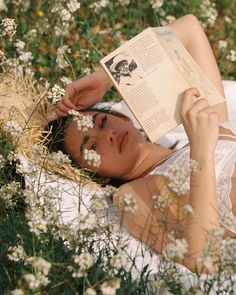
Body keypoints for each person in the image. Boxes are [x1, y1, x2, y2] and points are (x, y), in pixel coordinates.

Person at [49, 15, 236, 273]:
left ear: (124, 117)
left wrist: (104, 78)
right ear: (98, 177)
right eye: (92, 148)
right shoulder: (133, 195)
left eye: (103, 122)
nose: (108, 136)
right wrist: (201, 154)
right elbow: (202, 262)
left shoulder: (209, 121)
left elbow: (190, 29)